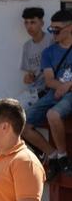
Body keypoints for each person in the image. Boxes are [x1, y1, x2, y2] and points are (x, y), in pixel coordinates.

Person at [23, 10, 72, 170]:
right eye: (51, 29)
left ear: (69, 28)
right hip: (54, 93)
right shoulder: (49, 52)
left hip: (68, 93)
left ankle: (63, 157)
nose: (53, 33)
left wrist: (66, 86)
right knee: (22, 123)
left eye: (56, 30)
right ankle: (52, 154)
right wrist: (61, 87)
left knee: (53, 114)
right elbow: (49, 80)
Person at [19, 6, 50, 107]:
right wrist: (28, 77)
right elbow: (29, 74)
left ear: (41, 23)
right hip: (35, 91)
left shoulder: (52, 40)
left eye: (32, 22)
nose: (29, 26)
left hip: (50, 89)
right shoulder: (27, 46)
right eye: (26, 23)